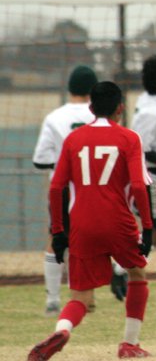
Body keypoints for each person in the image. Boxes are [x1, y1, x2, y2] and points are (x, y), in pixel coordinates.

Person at [28, 81, 155, 360]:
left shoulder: (74, 140)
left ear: (91, 108)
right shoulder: (129, 138)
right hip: (118, 222)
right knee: (136, 273)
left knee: (80, 297)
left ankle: (62, 329)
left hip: (82, 224)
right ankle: (129, 344)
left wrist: (59, 231)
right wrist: (147, 226)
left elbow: (55, 187)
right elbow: (138, 185)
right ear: (120, 108)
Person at [113, 52, 156, 300]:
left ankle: (125, 268)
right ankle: (121, 269)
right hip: (147, 174)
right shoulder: (152, 111)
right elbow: (137, 146)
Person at [32, 65, 98, 316]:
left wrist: (63, 164)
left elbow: (39, 160)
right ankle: (85, 297)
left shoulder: (54, 117)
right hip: (93, 188)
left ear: (70, 87)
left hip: (62, 190)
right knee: (90, 241)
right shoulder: (99, 116)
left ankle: (52, 300)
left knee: (56, 239)